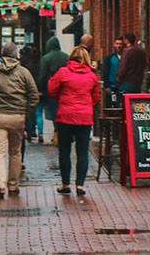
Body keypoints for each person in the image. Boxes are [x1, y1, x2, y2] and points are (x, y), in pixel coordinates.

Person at [0, 43, 39, 199]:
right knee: (15, 151)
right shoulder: (24, 73)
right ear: (16, 56)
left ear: (2, 55)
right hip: (17, 116)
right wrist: (26, 113)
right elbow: (33, 95)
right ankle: (13, 185)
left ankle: (0, 185)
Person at [49, 46, 100, 196]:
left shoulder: (63, 72)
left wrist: (61, 100)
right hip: (84, 118)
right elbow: (96, 98)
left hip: (65, 116)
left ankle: (66, 184)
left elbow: (51, 89)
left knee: (64, 152)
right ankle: (80, 185)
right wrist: (86, 106)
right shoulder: (91, 76)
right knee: (82, 152)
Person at [38, 37, 68, 145]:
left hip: (51, 89)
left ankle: (57, 133)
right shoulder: (66, 57)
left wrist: (39, 88)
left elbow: (42, 75)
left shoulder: (46, 58)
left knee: (54, 111)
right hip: (64, 88)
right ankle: (60, 132)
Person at [101, 38, 125, 108]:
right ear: (114, 45)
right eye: (117, 44)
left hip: (123, 87)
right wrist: (106, 86)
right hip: (112, 87)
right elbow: (105, 72)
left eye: (120, 44)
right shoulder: (109, 58)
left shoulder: (126, 57)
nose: (118, 46)